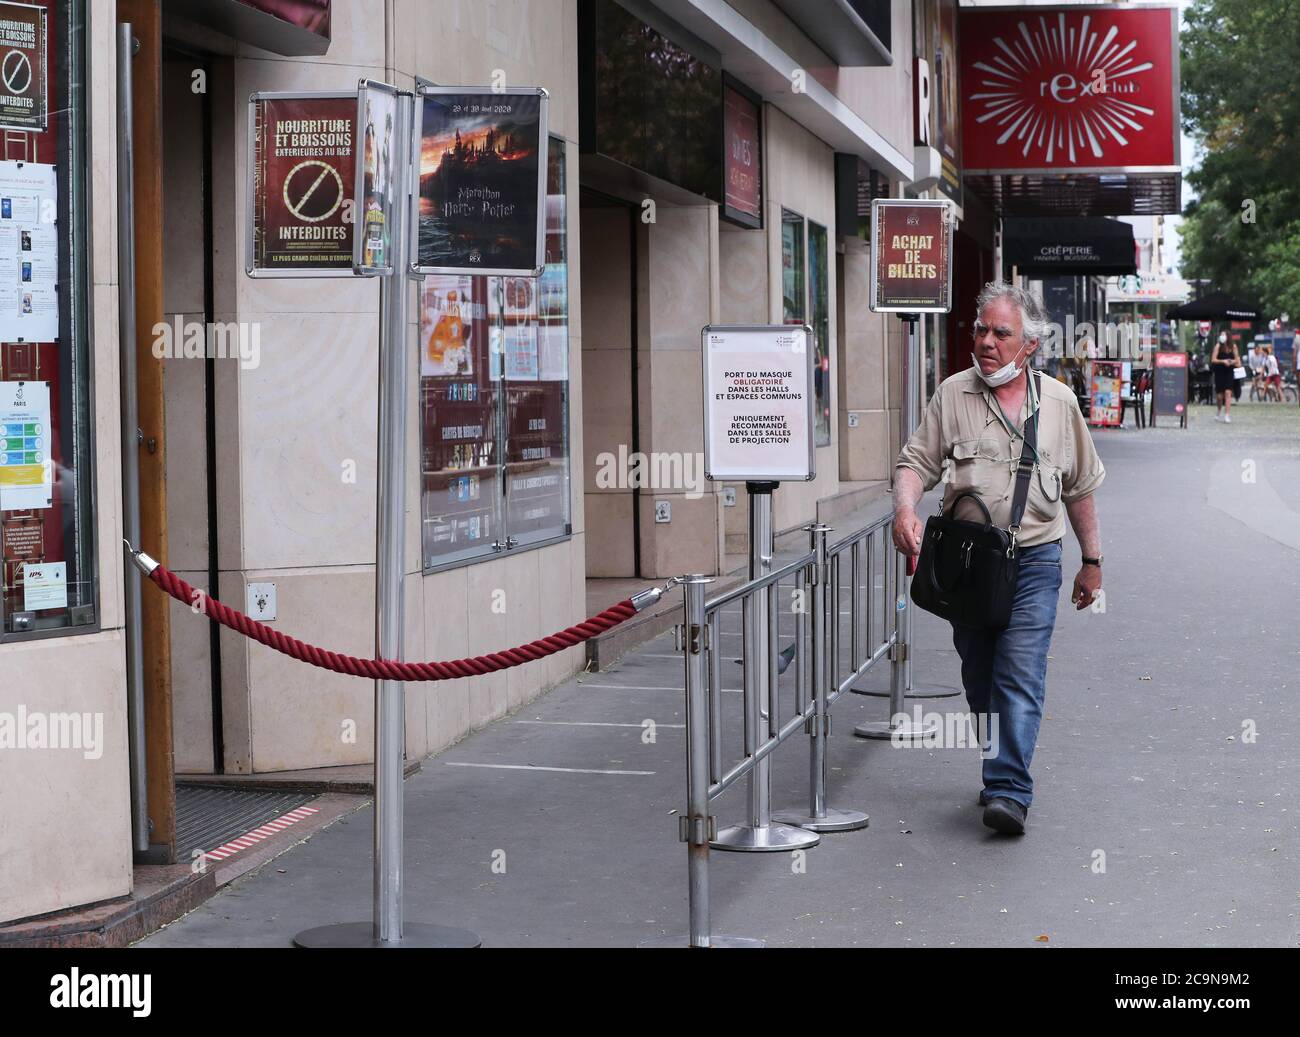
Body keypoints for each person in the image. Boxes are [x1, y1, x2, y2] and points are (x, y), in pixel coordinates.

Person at [892, 282, 1105, 836]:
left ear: (1028, 345)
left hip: (1035, 560)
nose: (985, 341)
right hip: (967, 565)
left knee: (1020, 670)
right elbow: (915, 462)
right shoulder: (952, 395)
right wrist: (905, 510)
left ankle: (1009, 788)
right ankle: (999, 765)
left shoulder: (1059, 403)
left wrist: (1093, 560)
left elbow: (1080, 487)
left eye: (1000, 333)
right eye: (980, 329)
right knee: (980, 674)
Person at [1210, 331, 1240, 421]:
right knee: (1219, 396)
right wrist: (1223, 361)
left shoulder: (1233, 346)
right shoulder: (1218, 346)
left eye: (1224, 335)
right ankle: (1219, 410)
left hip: (1229, 371)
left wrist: (1231, 361)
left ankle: (1227, 414)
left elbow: (1237, 359)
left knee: (1228, 392)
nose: (1222, 336)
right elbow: (1213, 359)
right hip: (1219, 372)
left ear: (1228, 336)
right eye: (1221, 335)